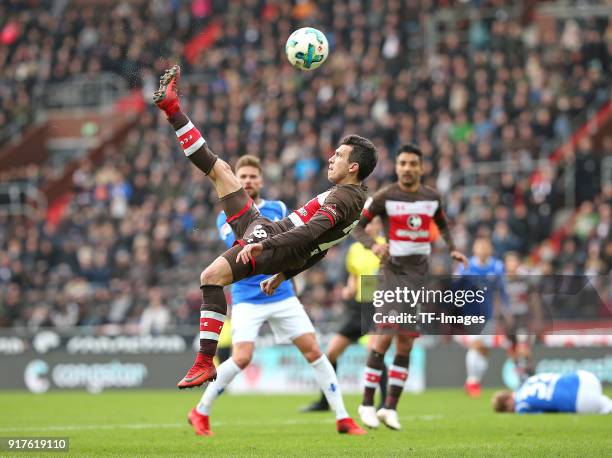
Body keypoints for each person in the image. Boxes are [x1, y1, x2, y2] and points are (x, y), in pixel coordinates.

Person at [154, 65, 377, 434]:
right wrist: (284, 272)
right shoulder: (353, 199)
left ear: (353, 167)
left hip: (271, 239)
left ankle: (205, 361)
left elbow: (310, 235)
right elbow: (321, 248)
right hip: (272, 243)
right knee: (221, 170)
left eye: (338, 156)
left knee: (210, 275)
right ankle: (172, 109)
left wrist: (263, 246)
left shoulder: (344, 197)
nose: (331, 159)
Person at [187, 155, 366, 436]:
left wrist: (281, 274)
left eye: (252, 177)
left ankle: (343, 416)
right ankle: (201, 410)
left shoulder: (278, 207)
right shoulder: (227, 214)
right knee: (242, 357)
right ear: (237, 179)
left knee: (314, 351)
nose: (247, 181)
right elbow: (237, 248)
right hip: (247, 295)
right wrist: (263, 241)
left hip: (282, 294)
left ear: (260, 180)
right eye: (242, 177)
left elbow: (307, 242)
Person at [352, 144, 468, 430]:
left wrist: (453, 248)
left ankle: (390, 408)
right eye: (402, 163)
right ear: (397, 167)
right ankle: (366, 403)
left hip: (418, 278)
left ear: (421, 167)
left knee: (405, 342)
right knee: (385, 335)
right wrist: (374, 244)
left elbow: (442, 224)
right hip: (391, 273)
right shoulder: (385, 197)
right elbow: (356, 227)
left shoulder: (431, 198)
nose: (407, 168)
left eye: (412, 163)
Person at [301, 217, 388, 413]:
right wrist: (350, 288)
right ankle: (325, 402)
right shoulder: (355, 250)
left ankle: (384, 404)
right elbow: (354, 275)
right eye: (364, 224)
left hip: (378, 307)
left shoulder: (385, 247)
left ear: (378, 225)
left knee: (374, 353)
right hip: (358, 308)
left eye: (371, 223)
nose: (367, 227)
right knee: (331, 353)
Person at [457, 236, 508, 398]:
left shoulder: (497, 267)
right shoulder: (466, 265)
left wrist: (505, 310)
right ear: (474, 249)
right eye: (480, 246)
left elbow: (502, 291)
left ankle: (474, 381)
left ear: (491, 249)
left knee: (484, 350)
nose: (483, 249)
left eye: (486, 246)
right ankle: (472, 381)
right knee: (476, 344)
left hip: (489, 313)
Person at [492, 371, 612, 414]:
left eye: (508, 410)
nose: (511, 412)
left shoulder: (521, 405)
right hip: (587, 378)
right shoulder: (530, 381)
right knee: (601, 401)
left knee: (593, 403)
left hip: (582, 402)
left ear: (508, 401)